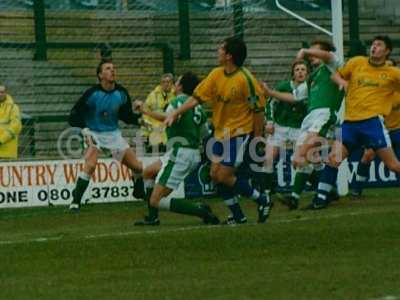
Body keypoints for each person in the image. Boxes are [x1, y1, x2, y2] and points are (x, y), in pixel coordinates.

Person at [165, 37, 272, 225]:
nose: (218, 51)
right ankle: (239, 216)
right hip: (220, 133)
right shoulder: (216, 74)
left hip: (239, 133)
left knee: (224, 175)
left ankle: (263, 200)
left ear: (229, 56)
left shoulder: (245, 79)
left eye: (221, 48)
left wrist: (257, 137)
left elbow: (258, 110)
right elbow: (196, 98)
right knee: (215, 175)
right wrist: (176, 112)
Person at [314, 35, 400, 208]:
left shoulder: (393, 73)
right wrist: (342, 83)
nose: (374, 47)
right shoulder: (357, 62)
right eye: (373, 44)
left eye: (379, 45)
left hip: (373, 124)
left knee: (393, 165)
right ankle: (320, 200)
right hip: (350, 123)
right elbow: (335, 76)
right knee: (333, 158)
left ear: (387, 51)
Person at [262, 40, 344, 209]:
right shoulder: (312, 77)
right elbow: (294, 97)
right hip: (309, 118)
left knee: (303, 153)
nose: (311, 55)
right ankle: (295, 197)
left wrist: (305, 51)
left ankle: (322, 192)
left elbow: (328, 55)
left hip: (324, 113)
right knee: (306, 158)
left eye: (316, 52)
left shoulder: (332, 67)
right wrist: (270, 92)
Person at [134, 71, 219, 225]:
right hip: (189, 152)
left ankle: (200, 210)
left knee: (156, 200)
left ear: (180, 86)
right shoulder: (198, 107)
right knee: (148, 172)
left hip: (180, 153)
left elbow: (169, 118)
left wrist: (145, 110)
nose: (174, 84)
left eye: (177, 82)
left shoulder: (177, 103)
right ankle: (153, 217)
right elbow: (204, 132)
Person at [68, 59, 144, 211]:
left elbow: (126, 116)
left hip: (113, 135)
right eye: (108, 68)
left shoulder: (121, 93)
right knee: (90, 165)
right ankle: (75, 202)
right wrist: (85, 129)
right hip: (94, 134)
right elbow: (73, 116)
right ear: (100, 75)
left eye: (113, 68)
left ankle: (138, 190)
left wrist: (140, 120)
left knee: (137, 167)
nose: (112, 71)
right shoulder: (92, 94)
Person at [259, 60, 309, 198]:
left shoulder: (310, 88)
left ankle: (319, 190)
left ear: (307, 73)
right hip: (280, 126)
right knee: (268, 157)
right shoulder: (283, 86)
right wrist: (269, 121)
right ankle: (266, 193)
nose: (300, 72)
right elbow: (270, 103)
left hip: (299, 128)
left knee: (303, 161)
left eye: (303, 69)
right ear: (293, 73)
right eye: (297, 69)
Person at [141, 73, 175, 152]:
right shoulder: (153, 95)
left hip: (170, 124)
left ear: (172, 83)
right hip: (155, 124)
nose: (166, 84)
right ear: (161, 83)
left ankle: (160, 145)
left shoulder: (175, 95)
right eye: (164, 82)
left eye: (168, 82)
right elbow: (145, 111)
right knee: (147, 121)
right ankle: (151, 143)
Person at [0, 84, 22, 159]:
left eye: (2, 92)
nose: (0, 94)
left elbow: (15, 126)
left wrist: (1, 140)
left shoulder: (13, 107)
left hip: (8, 152)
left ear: (6, 93)